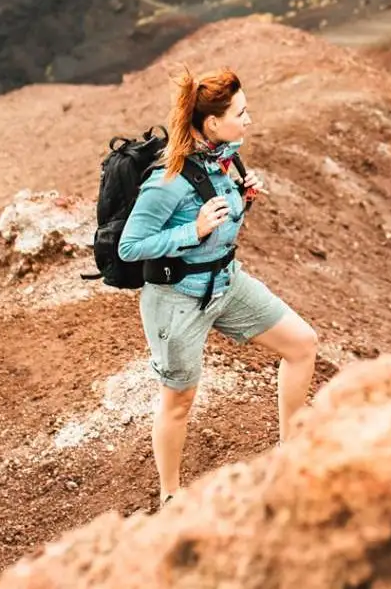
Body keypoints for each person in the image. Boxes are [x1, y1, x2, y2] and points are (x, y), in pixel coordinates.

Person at [117, 66, 319, 505]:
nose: (249, 119)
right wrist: (192, 230)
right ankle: (171, 496)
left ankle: (291, 453)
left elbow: (219, 217)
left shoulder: (224, 156)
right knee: (179, 401)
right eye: (241, 112)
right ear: (212, 123)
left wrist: (241, 199)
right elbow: (129, 247)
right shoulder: (165, 181)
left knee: (302, 344)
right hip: (177, 300)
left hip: (227, 284)